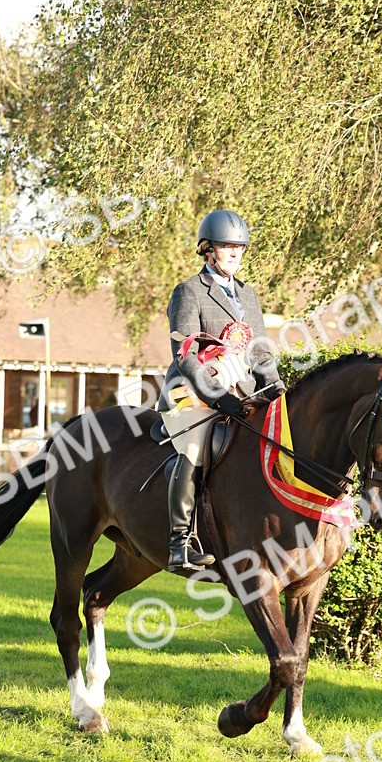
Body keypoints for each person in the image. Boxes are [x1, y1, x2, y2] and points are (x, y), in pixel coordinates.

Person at [159, 209, 286, 574]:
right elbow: (184, 355)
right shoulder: (189, 291)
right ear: (208, 249)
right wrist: (217, 396)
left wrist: (275, 389)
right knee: (197, 442)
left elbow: (260, 350)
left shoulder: (248, 295)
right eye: (227, 246)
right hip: (192, 394)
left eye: (239, 247)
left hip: (243, 394)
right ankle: (180, 542)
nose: (235, 253)